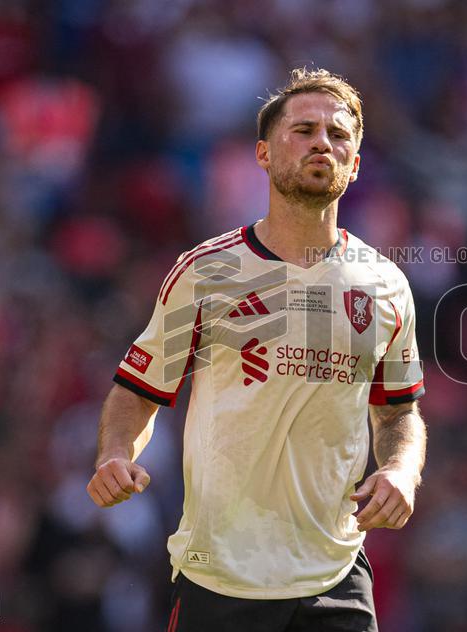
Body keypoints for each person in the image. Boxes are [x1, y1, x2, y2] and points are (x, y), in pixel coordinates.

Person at [86, 67, 427, 632]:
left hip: (335, 575)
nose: (323, 142)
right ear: (264, 155)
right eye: (305, 130)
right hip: (221, 574)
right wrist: (115, 453)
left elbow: (399, 412)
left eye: (339, 135)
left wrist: (400, 470)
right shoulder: (208, 271)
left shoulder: (385, 283)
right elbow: (140, 389)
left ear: (356, 164)